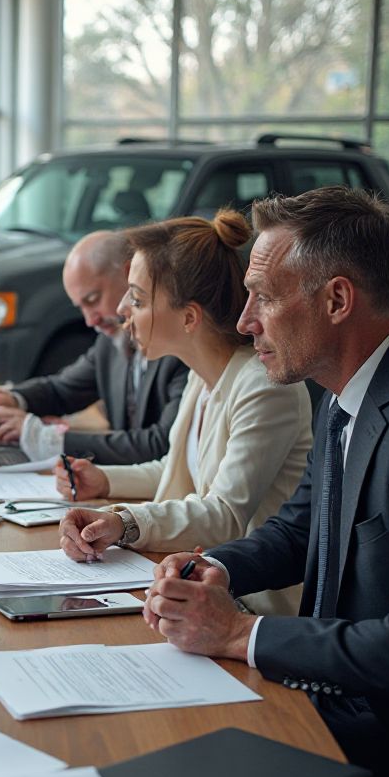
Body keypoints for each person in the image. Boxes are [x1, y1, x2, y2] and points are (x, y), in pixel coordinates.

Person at [144, 186, 389, 777]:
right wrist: (215, 569)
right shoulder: (345, 393)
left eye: (264, 295)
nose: (247, 318)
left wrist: (237, 634)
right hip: (324, 699)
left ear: (337, 300)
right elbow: (301, 525)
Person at [56, 213, 312, 616]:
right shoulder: (202, 378)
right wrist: (105, 480)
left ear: (189, 318)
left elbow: (224, 513)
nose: (123, 310)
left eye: (137, 299)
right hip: (196, 585)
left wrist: (124, 521)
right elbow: (176, 468)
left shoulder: (263, 386)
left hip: (251, 607)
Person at [0, 229, 188, 465]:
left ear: (130, 273)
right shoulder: (110, 343)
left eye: (92, 300)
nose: (90, 320)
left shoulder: (180, 349)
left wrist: (46, 439)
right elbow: (62, 390)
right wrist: (11, 399)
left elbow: (163, 445)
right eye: (80, 307)